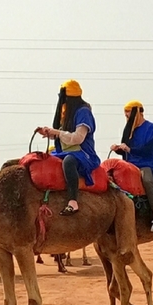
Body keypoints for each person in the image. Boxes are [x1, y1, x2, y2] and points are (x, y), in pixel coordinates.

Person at [35, 80, 101, 216]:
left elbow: (78, 138)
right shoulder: (66, 112)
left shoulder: (83, 112)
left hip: (82, 154)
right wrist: (48, 132)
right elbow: (62, 135)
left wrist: (57, 132)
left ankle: (73, 202)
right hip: (62, 151)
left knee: (69, 162)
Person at [110, 100, 153, 232]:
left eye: (129, 113)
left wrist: (129, 149)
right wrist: (118, 149)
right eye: (125, 114)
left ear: (139, 113)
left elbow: (148, 149)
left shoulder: (152, 128)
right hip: (132, 163)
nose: (127, 117)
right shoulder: (129, 131)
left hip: (150, 162)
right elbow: (127, 150)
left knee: (146, 177)